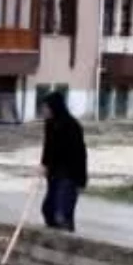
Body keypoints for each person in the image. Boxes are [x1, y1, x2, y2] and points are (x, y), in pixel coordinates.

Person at [39, 91, 88, 233]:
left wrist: (81, 180)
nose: (43, 110)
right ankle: (53, 239)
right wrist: (44, 164)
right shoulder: (49, 124)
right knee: (48, 210)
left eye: (45, 107)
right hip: (54, 173)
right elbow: (47, 146)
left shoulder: (72, 126)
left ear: (54, 107)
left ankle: (66, 238)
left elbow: (81, 155)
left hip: (70, 174)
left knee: (62, 212)